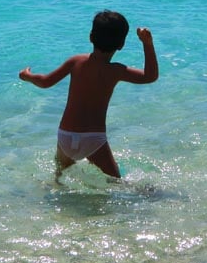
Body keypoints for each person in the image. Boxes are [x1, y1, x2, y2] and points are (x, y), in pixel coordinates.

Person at [19, 10, 158, 179]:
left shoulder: (76, 61)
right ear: (121, 45)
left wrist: (27, 76)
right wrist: (147, 43)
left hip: (65, 136)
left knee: (60, 176)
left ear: (91, 37)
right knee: (116, 183)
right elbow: (150, 76)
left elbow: (45, 81)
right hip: (93, 139)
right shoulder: (116, 71)